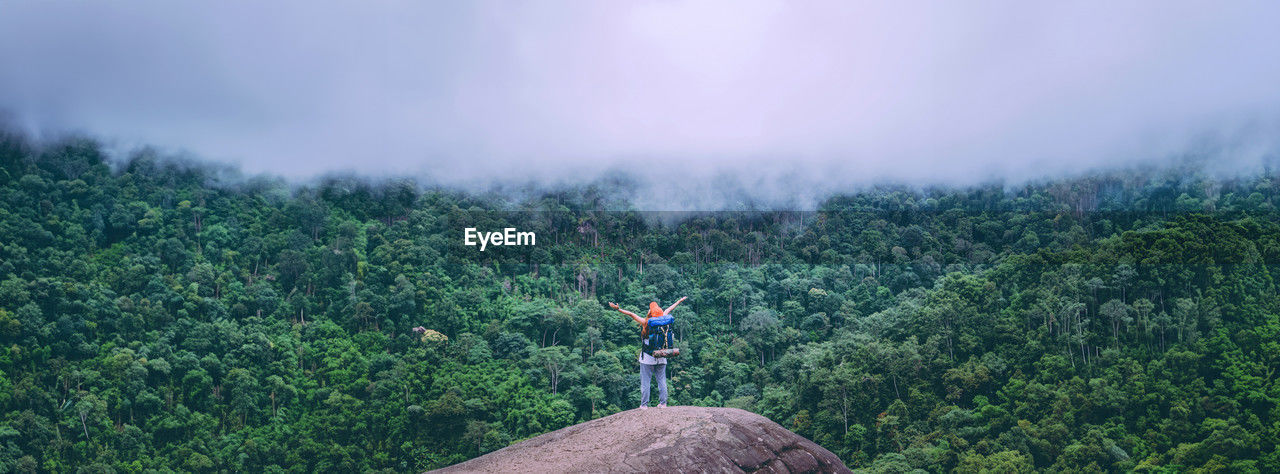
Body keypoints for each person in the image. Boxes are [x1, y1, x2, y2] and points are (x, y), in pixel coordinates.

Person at [609, 297, 687, 409]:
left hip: (647, 359)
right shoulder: (664, 319)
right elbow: (670, 309)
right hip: (662, 356)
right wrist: (679, 301)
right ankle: (663, 403)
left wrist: (618, 309)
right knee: (662, 381)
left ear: (650, 313)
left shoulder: (646, 322)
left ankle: (644, 405)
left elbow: (631, 314)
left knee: (646, 382)